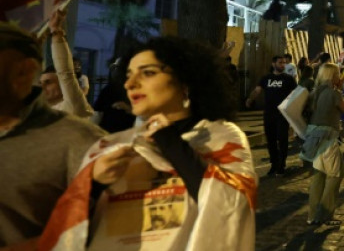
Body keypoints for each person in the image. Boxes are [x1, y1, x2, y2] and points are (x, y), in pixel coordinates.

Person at [39, 36, 257, 250]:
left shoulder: (222, 138)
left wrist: (169, 140)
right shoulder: (109, 147)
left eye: (148, 73)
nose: (130, 84)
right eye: (128, 75)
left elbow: (231, 205)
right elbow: (68, 233)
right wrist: (93, 184)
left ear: (185, 81)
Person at [0, 22, 104, 248]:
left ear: (24, 72)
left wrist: (58, 37)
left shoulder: (76, 131)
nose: (44, 86)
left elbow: (106, 230)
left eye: (48, 82)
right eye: (42, 82)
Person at [300, 63, 344, 226]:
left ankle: (312, 215)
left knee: (319, 175)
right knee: (336, 174)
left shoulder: (315, 92)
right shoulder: (333, 93)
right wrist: (340, 91)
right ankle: (325, 213)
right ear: (333, 76)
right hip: (327, 137)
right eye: (337, 74)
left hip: (313, 137)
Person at [245, 55, 297, 176]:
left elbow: (295, 93)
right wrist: (250, 99)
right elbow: (257, 90)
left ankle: (281, 164)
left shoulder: (288, 79)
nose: (283, 65)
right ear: (273, 64)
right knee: (271, 140)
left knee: (282, 139)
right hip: (269, 114)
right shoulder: (266, 78)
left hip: (282, 114)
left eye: (284, 63)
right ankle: (274, 164)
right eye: (280, 63)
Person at [38, 10, 93, 118]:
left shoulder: (72, 107)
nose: (42, 87)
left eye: (48, 82)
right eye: (40, 83)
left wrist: (56, 31)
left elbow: (65, 73)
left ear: (63, 85)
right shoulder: (36, 113)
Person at [92, 58, 136, 133]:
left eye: (117, 68)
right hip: (108, 132)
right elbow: (97, 112)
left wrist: (129, 109)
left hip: (127, 133)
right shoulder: (109, 89)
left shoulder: (138, 89)